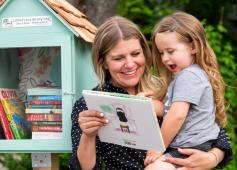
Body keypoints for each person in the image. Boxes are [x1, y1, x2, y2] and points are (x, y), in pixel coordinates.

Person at [69, 16, 232, 170]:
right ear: (103, 62)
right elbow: (84, 168)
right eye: (118, 58)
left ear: (145, 53)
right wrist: (88, 136)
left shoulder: (164, 87)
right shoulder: (92, 103)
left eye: (135, 54)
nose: (130, 64)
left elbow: (211, 128)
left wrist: (213, 158)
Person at [144, 11, 229, 170]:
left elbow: (177, 115)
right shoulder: (190, 76)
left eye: (170, 51)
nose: (164, 58)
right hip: (194, 146)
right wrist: (146, 103)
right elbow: (170, 110)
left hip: (190, 148)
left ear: (193, 47)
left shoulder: (189, 76)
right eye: (161, 53)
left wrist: (157, 147)